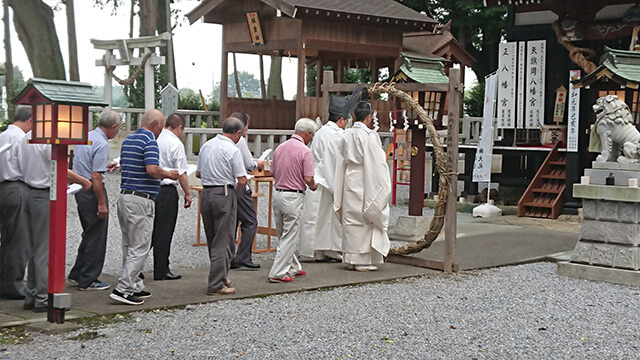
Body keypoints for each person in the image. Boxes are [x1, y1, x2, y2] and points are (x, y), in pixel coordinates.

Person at [15, 127, 91, 312]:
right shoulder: (46, 140)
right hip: (44, 193)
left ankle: (32, 293)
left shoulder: (25, 137)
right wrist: (82, 181)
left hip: (27, 190)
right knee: (44, 249)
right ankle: (43, 296)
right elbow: (59, 165)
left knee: (33, 247)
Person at [110, 109, 178, 306]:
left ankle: (135, 284)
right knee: (140, 246)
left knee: (128, 244)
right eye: (161, 126)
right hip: (141, 198)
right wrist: (169, 174)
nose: (161, 131)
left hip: (125, 196)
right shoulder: (150, 141)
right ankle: (123, 288)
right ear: (155, 124)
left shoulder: (129, 140)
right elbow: (152, 169)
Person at [334, 100, 391, 272]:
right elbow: (376, 162)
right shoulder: (368, 136)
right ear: (368, 117)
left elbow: (341, 158)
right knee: (364, 217)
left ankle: (351, 257)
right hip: (365, 177)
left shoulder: (346, 134)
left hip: (349, 177)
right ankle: (362, 260)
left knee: (351, 218)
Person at [69, 109, 121, 291]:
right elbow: (96, 176)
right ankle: (88, 278)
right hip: (92, 188)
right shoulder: (102, 143)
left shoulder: (87, 136)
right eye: (118, 128)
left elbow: (86, 162)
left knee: (89, 231)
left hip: (79, 187)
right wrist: (101, 202)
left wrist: (104, 165)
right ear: (113, 127)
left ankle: (78, 272)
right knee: (97, 235)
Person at [196, 116, 247, 295]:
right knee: (224, 240)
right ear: (238, 133)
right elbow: (241, 179)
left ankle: (220, 275)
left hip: (206, 193)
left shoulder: (206, 145)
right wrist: (237, 185)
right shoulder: (232, 149)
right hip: (224, 192)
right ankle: (216, 283)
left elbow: (198, 173)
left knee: (213, 238)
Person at [268, 118, 318, 283]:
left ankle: (293, 267)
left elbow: (272, 172)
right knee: (290, 235)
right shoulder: (305, 151)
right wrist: (313, 186)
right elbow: (308, 177)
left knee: (283, 233)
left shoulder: (280, 148)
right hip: (294, 195)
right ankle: (278, 272)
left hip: (278, 193)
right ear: (308, 133)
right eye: (312, 135)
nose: (311, 139)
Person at [299, 97, 349, 262]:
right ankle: (331, 249)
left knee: (319, 218)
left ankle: (320, 251)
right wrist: (340, 185)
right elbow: (334, 162)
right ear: (341, 120)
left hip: (317, 180)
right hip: (326, 179)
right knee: (328, 218)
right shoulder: (336, 136)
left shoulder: (320, 132)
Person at [151, 113, 192, 281]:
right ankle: (161, 268)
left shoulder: (154, 138)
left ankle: (135, 266)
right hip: (167, 190)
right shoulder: (175, 143)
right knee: (164, 230)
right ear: (179, 127)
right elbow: (181, 172)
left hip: (150, 187)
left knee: (146, 230)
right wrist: (188, 193)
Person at [0, 107, 32, 300]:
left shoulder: (3, 135)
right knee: (20, 239)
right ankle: (13, 284)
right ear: (29, 121)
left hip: (2, 186)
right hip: (16, 187)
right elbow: (26, 165)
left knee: (6, 237)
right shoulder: (21, 139)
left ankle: (4, 280)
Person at [229, 112, 264, 271]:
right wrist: (259, 163)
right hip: (240, 185)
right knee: (250, 221)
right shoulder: (240, 141)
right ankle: (243, 256)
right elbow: (249, 164)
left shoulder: (220, 140)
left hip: (227, 185)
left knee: (232, 222)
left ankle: (229, 256)